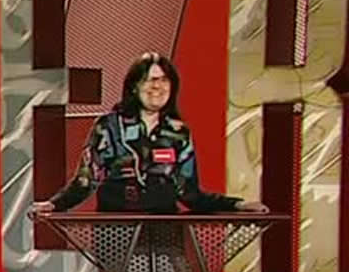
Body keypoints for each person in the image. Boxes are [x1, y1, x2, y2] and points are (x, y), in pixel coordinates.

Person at [30, 53, 267, 215]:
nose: (157, 87)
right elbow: (85, 181)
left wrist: (237, 205)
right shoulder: (110, 127)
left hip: (165, 235)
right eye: (150, 80)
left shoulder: (178, 133)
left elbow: (189, 193)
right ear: (134, 86)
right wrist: (54, 205)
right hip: (116, 235)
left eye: (164, 80)